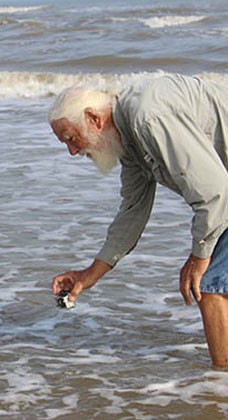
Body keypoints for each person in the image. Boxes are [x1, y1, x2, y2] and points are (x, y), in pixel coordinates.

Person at [48, 74, 228, 368]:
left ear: (93, 118)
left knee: (209, 286)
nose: (72, 151)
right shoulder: (127, 139)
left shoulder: (148, 118)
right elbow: (133, 209)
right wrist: (88, 275)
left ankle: (219, 391)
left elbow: (216, 192)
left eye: (71, 138)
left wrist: (199, 255)